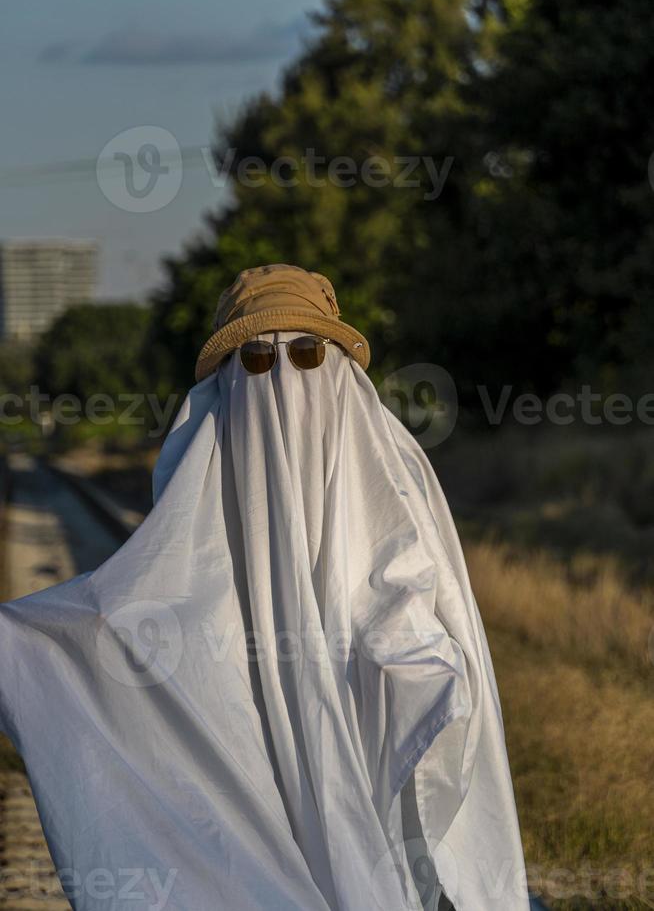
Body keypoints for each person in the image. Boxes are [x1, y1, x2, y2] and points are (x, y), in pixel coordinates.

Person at [0, 264, 530, 911]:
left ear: (337, 368)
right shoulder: (202, 496)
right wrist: (34, 642)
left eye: (306, 354)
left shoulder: (382, 479)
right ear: (229, 384)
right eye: (256, 360)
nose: (283, 378)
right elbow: (134, 609)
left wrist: (414, 669)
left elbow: (413, 592)